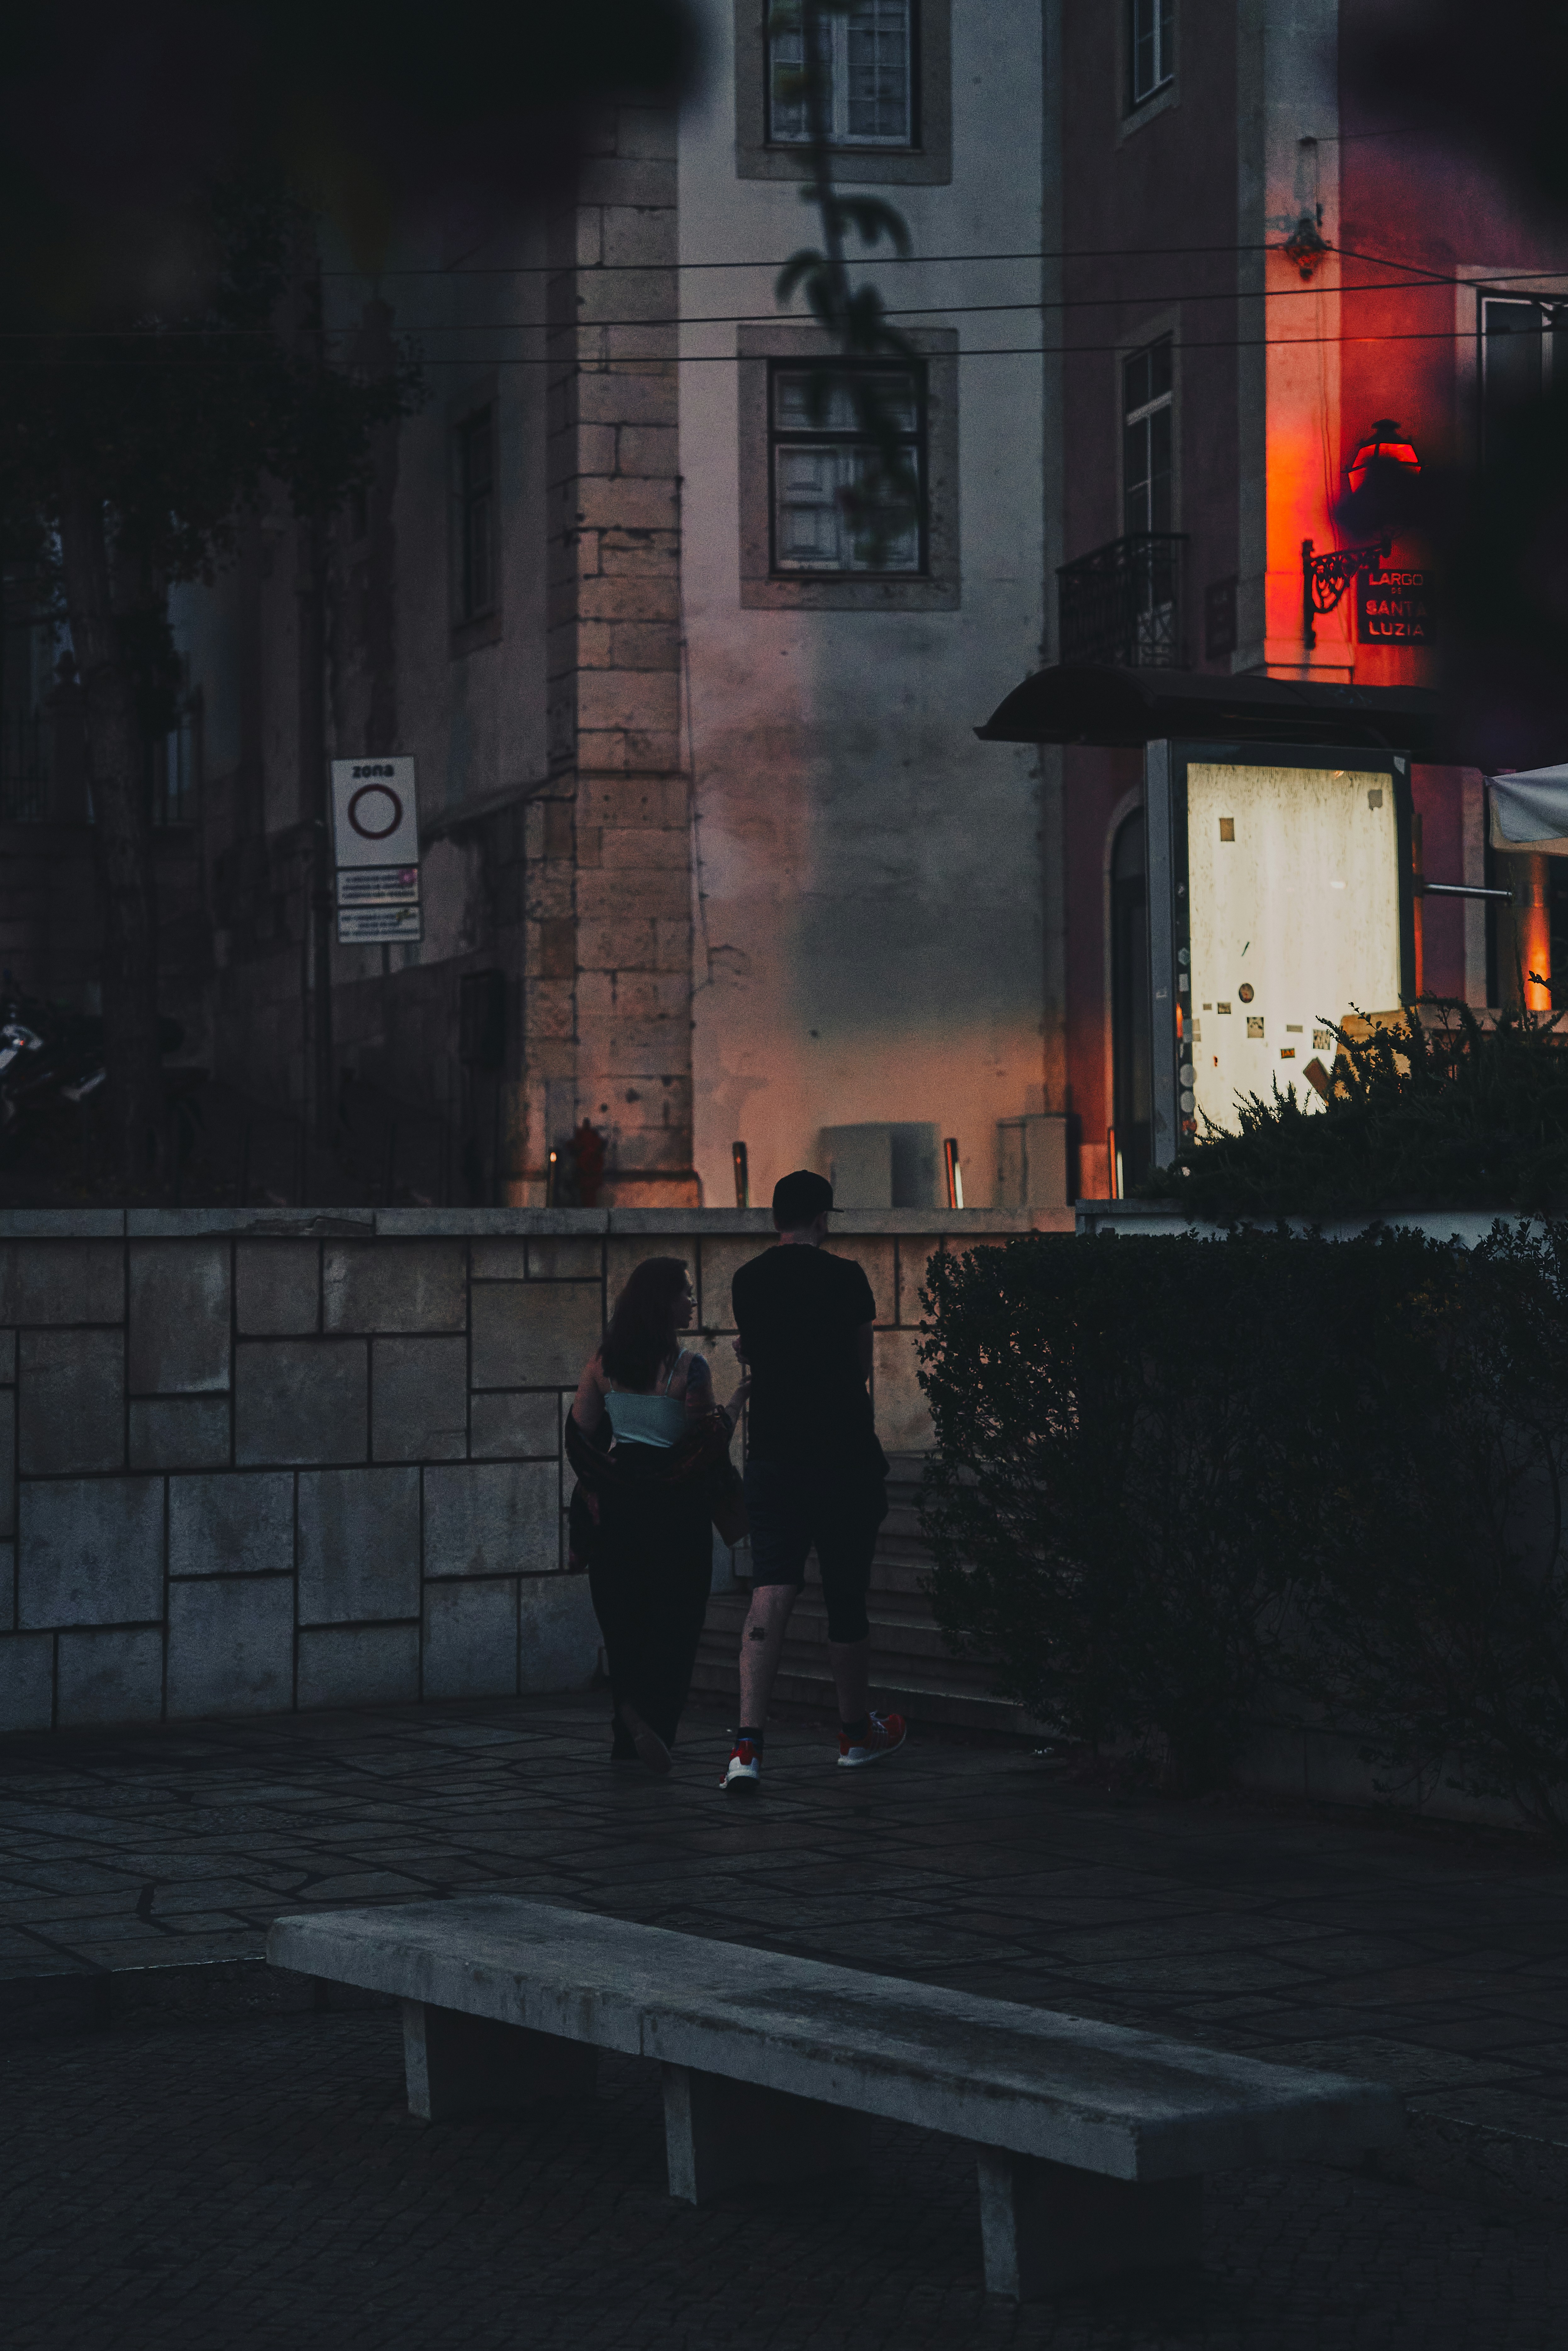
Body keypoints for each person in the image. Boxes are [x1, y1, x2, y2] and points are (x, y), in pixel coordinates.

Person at [720, 1171, 907, 1792]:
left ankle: (746, 1750)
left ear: (776, 1217)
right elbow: (858, 1366)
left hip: (773, 1454)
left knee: (770, 1589)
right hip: (842, 1455)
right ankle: (855, 1734)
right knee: (845, 1598)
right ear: (823, 1218)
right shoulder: (848, 1278)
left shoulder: (746, 1281)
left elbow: (757, 1350)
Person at [569, 1257, 747, 1774]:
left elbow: (581, 1431)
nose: (693, 1301)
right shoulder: (689, 1368)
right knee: (676, 1619)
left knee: (625, 1617)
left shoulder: (603, 1362)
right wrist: (738, 1400)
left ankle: (627, 1727)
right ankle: (655, 1726)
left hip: (618, 1505)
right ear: (663, 1303)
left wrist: (598, 1486)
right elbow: (704, 1443)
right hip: (676, 1509)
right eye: (686, 1293)